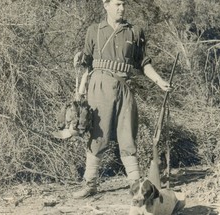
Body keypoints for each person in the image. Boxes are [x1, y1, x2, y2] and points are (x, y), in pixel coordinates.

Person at [73, 0, 173, 199]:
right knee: (98, 136)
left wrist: (159, 81)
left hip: (125, 87)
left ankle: (135, 185)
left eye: (124, 4)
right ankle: (90, 183)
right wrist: (79, 62)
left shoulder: (135, 32)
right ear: (106, 5)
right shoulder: (94, 30)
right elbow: (86, 62)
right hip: (100, 85)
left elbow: (143, 63)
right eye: (117, 4)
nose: (122, 8)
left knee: (128, 136)